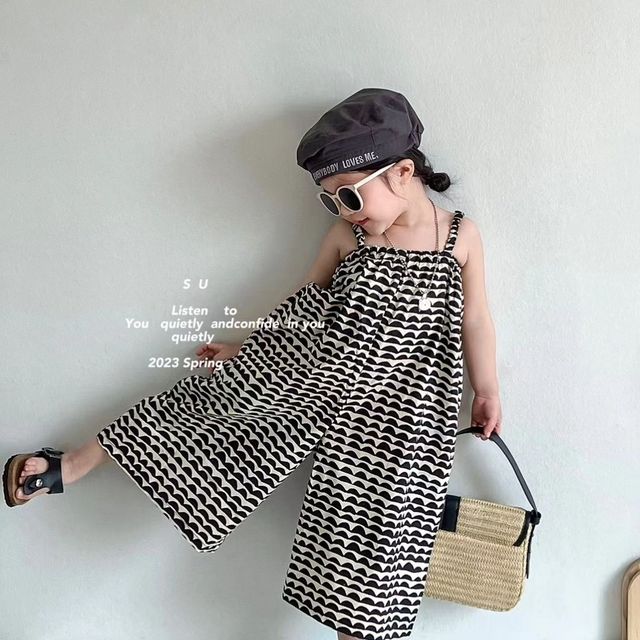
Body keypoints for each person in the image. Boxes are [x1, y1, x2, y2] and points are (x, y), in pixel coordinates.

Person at [3, 87, 502, 640]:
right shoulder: (347, 238)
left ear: (402, 173)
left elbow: (475, 320)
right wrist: (246, 350)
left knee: (374, 556)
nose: (344, 212)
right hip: (317, 377)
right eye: (331, 202)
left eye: (349, 197)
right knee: (203, 407)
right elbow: (302, 307)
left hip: (405, 421)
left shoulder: (459, 238)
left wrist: (486, 389)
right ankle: (73, 464)